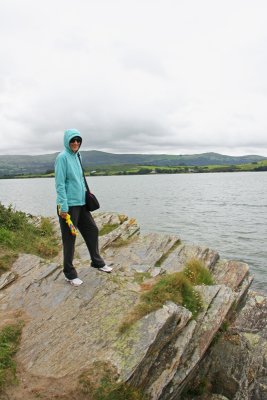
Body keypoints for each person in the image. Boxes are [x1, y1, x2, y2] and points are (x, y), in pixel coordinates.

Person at [55, 129, 112, 286]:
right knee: (69, 239)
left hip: (81, 203)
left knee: (92, 230)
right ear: (67, 141)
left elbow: (80, 179)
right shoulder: (62, 158)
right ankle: (69, 273)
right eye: (72, 140)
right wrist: (63, 206)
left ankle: (97, 262)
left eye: (78, 140)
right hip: (68, 206)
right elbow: (59, 184)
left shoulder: (78, 156)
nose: (75, 143)